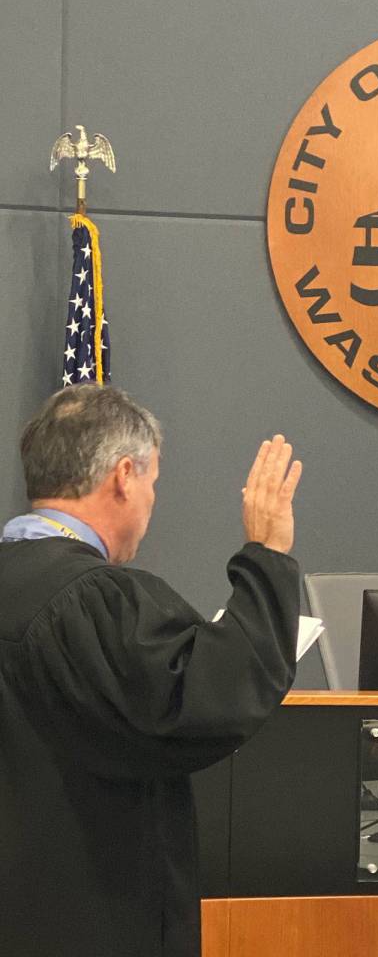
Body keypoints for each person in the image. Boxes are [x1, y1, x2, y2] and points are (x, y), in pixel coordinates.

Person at [0, 384, 303, 957]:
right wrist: (267, 554)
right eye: (153, 482)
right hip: (90, 919)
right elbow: (210, 700)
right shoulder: (93, 601)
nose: (151, 502)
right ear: (123, 476)